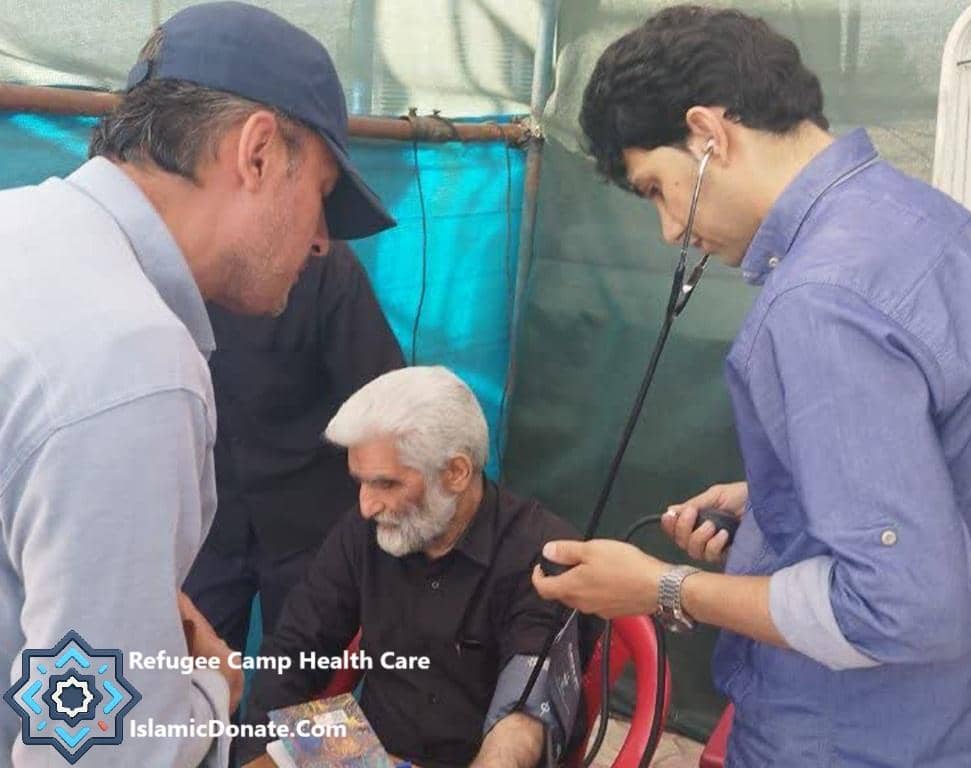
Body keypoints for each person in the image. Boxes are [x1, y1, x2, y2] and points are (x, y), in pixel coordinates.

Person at [533, 6, 971, 767]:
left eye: (655, 189)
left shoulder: (818, 300)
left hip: (855, 740)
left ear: (709, 134)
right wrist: (791, 497)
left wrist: (665, 588)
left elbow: (906, 609)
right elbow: (947, 470)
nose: (669, 231)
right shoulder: (933, 226)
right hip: (960, 724)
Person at [0, 2, 394, 765]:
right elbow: (98, 745)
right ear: (255, 153)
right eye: (319, 192)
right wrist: (210, 696)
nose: (321, 238)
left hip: (290, 539)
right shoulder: (132, 363)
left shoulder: (18, 231)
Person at [238, 367, 579, 768]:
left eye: (387, 484)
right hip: (368, 753)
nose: (367, 505)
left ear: (456, 472)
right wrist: (255, 755)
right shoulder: (363, 530)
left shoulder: (541, 549)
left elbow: (522, 718)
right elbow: (296, 647)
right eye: (360, 482)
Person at [184, 240, 404, 661]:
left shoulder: (328, 266)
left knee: (312, 693)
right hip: (208, 524)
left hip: (314, 531)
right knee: (189, 680)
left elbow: (383, 403)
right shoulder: (178, 266)